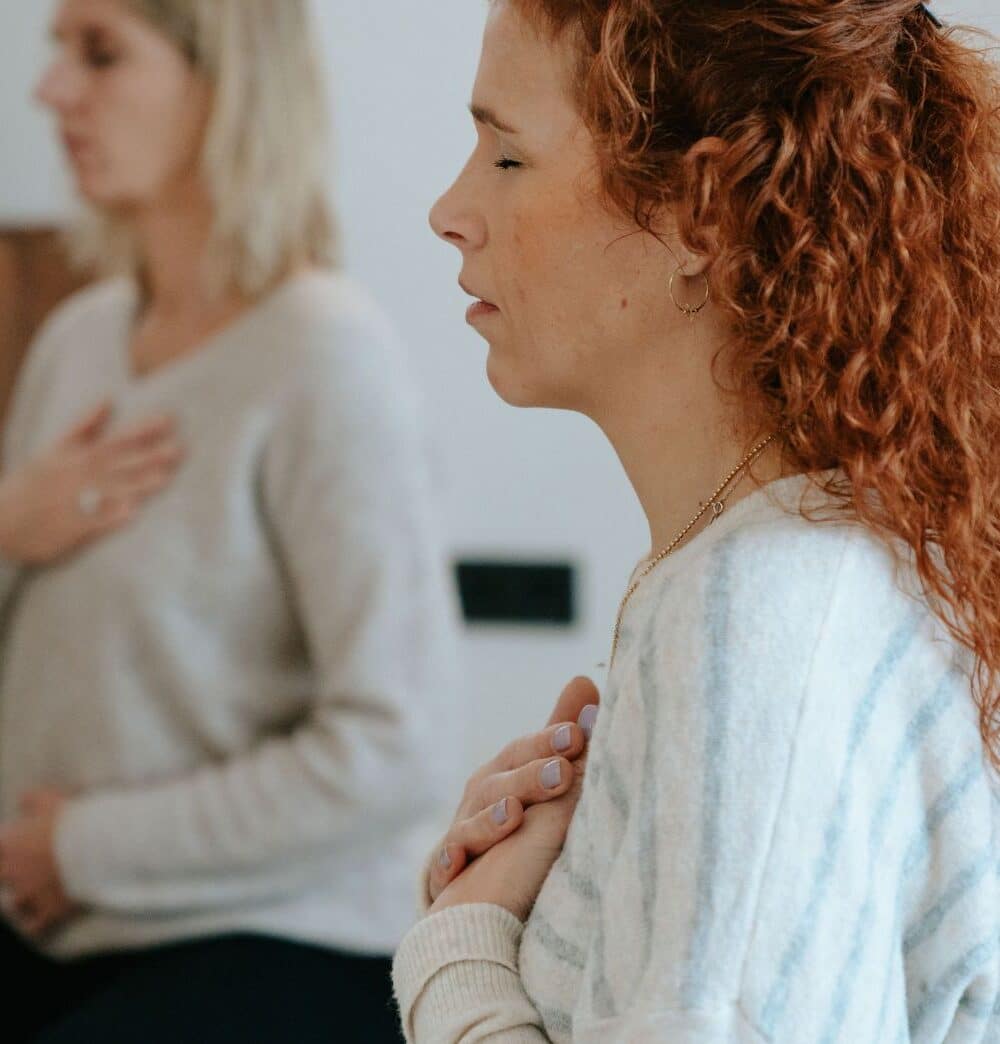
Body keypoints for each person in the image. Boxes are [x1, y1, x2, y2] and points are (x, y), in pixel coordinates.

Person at [391, 1, 1000, 1041]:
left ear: (698, 214)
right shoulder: (770, 579)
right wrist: (527, 906)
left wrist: (457, 951)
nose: (449, 209)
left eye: (508, 155)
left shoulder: (761, 616)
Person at [0, 1, 457, 1041]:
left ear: (228, 83)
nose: (51, 90)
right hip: (61, 930)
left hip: (279, 937)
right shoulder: (77, 341)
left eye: (101, 54)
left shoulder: (324, 354)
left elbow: (395, 747)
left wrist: (85, 850)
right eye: (57, 51)